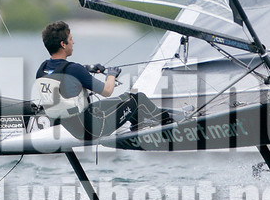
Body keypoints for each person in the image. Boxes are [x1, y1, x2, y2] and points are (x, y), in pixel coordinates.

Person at [32, 20, 169, 138]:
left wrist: (87, 68)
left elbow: (64, 74)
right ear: (63, 44)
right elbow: (107, 91)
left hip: (76, 130)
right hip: (95, 130)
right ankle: (168, 121)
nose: (73, 42)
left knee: (124, 97)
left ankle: (139, 123)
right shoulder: (74, 69)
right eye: (71, 38)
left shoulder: (42, 68)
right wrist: (111, 74)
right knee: (138, 99)